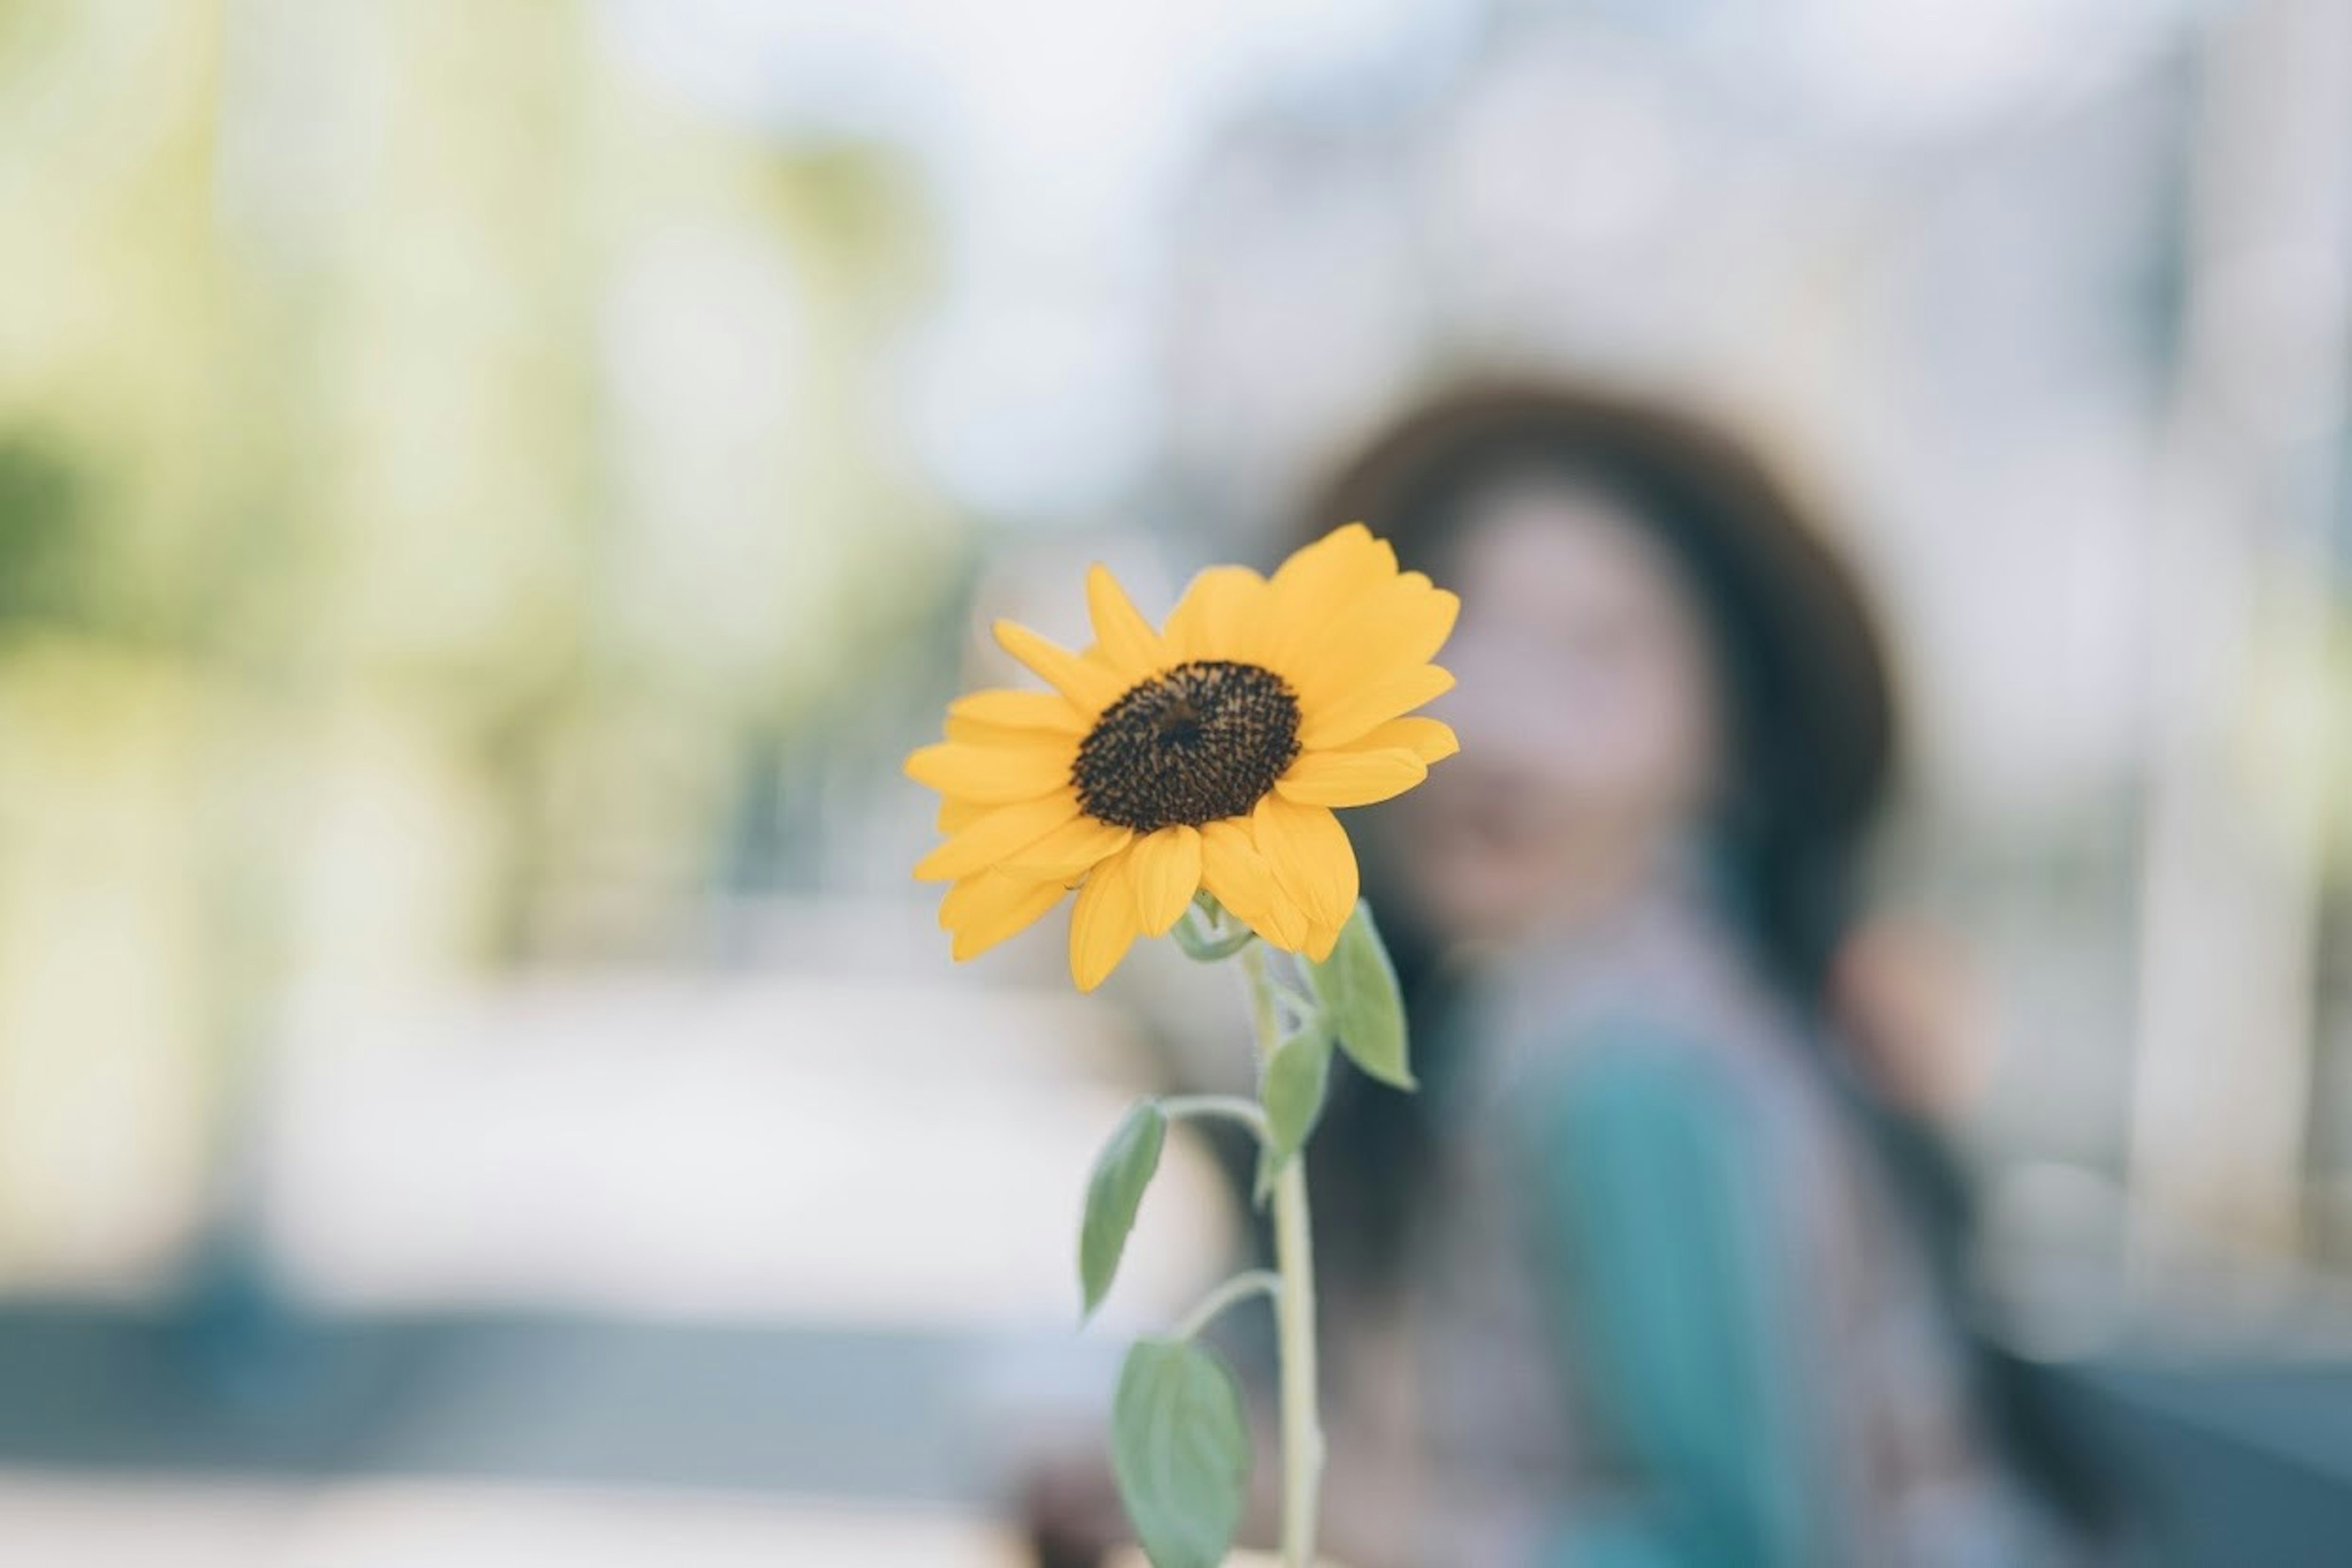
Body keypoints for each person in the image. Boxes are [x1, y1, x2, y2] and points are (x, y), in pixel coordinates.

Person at [1029, 384, 2115, 1567]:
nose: (1495, 724)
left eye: (1595, 654)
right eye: (1445, 642)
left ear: (1736, 743)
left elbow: (1745, 1547)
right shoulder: (1517, 1024)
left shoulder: (1632, 1064)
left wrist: (1310, 1504)